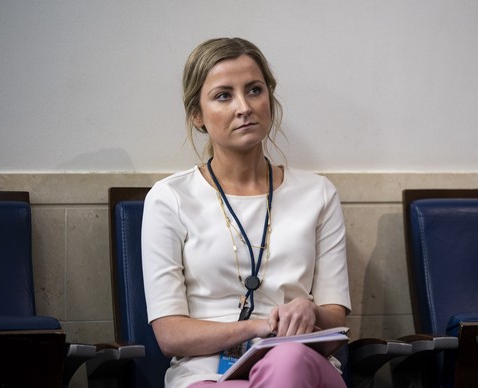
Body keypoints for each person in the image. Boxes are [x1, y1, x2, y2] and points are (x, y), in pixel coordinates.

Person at [141, 37, 352, 388]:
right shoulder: (170, 198)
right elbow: (170, 335)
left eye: (254, 90)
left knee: (287, 359)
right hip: (206, 372)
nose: (244, 107)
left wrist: (308, 311)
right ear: (197, 115)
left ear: (269, 97)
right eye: (224, 95)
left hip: (299, 362)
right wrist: (260, 327)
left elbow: (335, 325)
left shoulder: (318, 194)